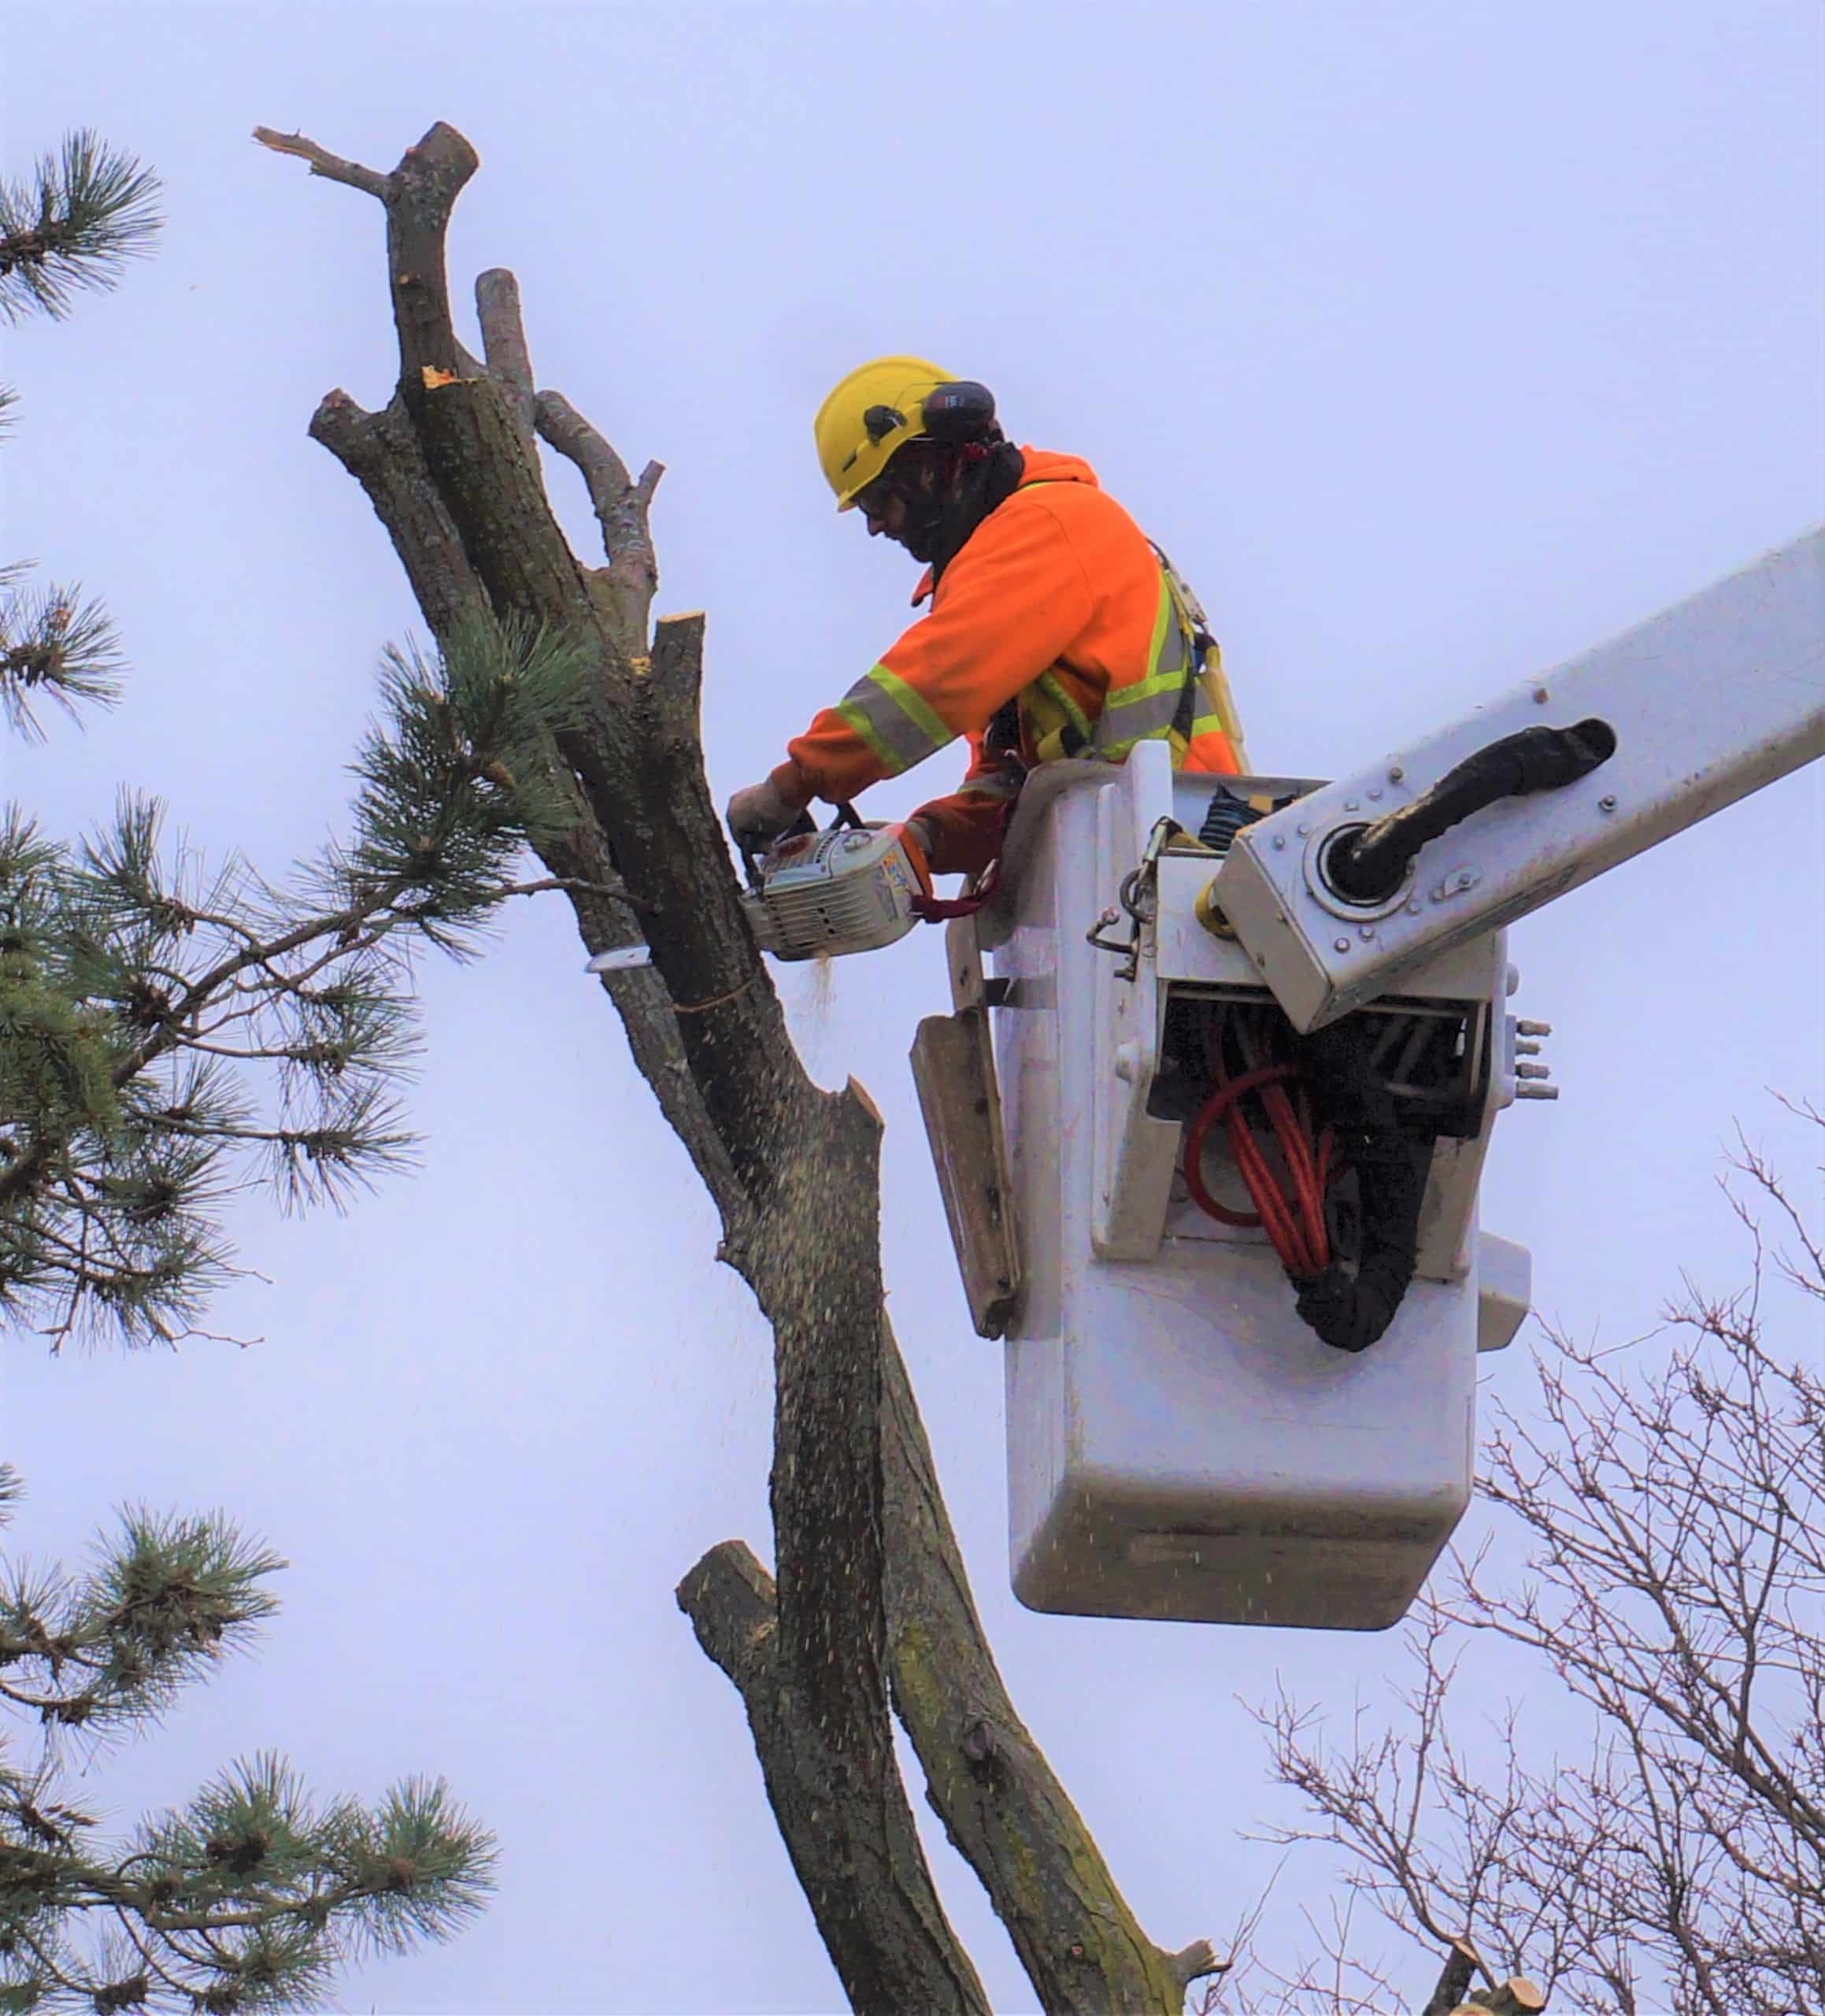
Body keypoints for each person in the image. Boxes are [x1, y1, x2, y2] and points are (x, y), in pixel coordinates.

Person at [724, 357, 1247, 884]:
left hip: (1185, 850)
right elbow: (1007, 784)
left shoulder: (1051, 524)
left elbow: (935, 681)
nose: (876, 526)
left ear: (934, 463)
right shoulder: (997, 569)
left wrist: (792, 784)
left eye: (879, 498)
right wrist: (921, 840)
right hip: (1127, 862)